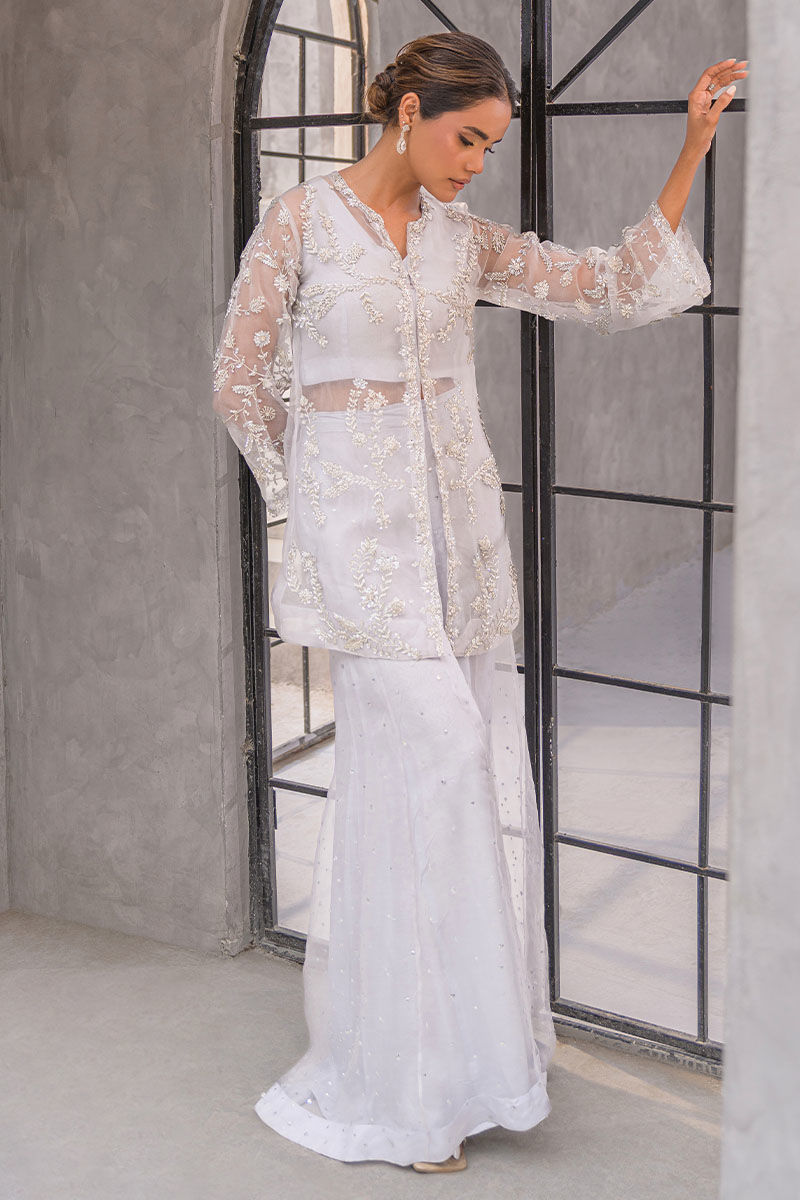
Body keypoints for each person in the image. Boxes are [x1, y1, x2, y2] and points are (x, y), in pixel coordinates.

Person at [212, 31, 747, 1172]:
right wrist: (316, 504)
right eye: (467, 138)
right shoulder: (299, 224)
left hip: (459, 551)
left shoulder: (466, 242)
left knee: (438, 795)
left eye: (491, 148)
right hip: (364, 562)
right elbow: (240, 380)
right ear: (407, 110)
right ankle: (400, 1088)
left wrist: (691, 148)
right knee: (438, 766)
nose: (475, 164)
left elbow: (606, 286)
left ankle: (458, 1067)